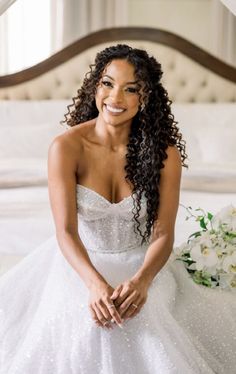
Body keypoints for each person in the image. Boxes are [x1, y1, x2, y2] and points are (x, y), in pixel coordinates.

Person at [0, 44, 235, 374]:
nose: (115, 98)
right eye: (107, 83)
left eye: (131, 89)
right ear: (95, 86)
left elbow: (164, 232)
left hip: (144, 266)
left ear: (146, 97)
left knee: (145, 325)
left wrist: (141, 282)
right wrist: (95, 284)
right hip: (78, 264)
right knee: (90, 323)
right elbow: (65, 231)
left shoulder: (164, 155)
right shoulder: (66, 148)